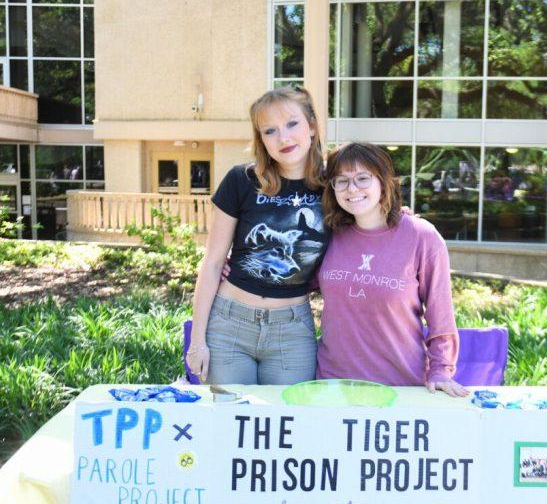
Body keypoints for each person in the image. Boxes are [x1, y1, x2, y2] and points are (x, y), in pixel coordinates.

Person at [184, 86, 328, 385]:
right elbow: (212, 264)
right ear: (261, 139)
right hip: (228, 325)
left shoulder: (334, 188)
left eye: (292, 124)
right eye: (270, 131)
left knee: (287, 425)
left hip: (292, 331)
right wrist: (197, 342)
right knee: (229, 422)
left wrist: (400, 217)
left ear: (312, 126)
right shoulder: (242, 180)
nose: (283, 138)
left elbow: (370, 215)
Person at [315, 142, 469, 397]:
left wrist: (441, 370)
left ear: (383, 181)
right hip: (333, 386)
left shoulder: (422, 236)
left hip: (400, 387)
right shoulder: (329, 234)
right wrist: (231, 270)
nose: (352, 189)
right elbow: (294, 279)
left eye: (362, 178)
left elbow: (440, 314)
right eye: (341, 181)